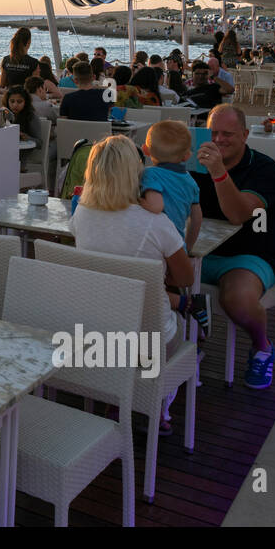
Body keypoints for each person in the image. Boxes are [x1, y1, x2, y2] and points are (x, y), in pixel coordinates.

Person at [70, 136, 195, 434]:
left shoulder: (82, 215)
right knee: (176, 324)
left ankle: (118, 394)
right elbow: (186, 278)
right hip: (147, 343)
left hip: (95, 334)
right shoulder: (156, 223)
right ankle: (155, 402)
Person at [192, 106, 275, 389]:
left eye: (228, 134)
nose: (219, 140)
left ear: (245, 135)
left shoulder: (266, 170)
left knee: (238, 299)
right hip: (198, 250)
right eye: (213, 133)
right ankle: (185, 343)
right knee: (151, 279)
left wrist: (218, 172)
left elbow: (238, 214)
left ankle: (262, 348)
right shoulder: (193, 165)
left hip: (250, 253)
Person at [139, 121, 207, 333]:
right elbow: (197, 217)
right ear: (187, 156)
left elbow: (156, 206)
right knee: (169, 287)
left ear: (146, 150)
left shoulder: (151, 175)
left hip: (157, 246)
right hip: (176, 246)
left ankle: (173, 322)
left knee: (148, 288)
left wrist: (137, 201)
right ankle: (191, 325)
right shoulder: (190, 181)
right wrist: (187, 246)